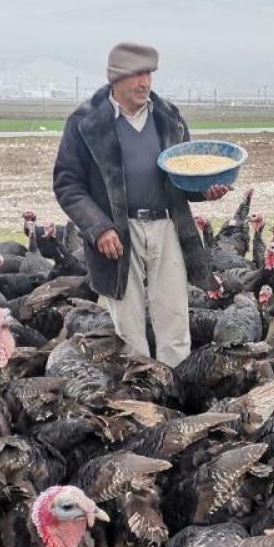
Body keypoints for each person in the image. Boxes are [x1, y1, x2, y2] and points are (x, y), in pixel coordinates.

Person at [53, 42, 229, 366]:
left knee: (174, 318)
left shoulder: (168, 118)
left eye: (148, 74)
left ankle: (176, 397)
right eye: (136, 74)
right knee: (128, 328)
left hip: (167, 227)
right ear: (116, 78)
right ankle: (139, 400)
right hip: (118, 235)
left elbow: (184, 177)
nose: (144, 82)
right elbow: (68, 184)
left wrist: (206, 190)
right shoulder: (85, 123)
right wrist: (99, 227)